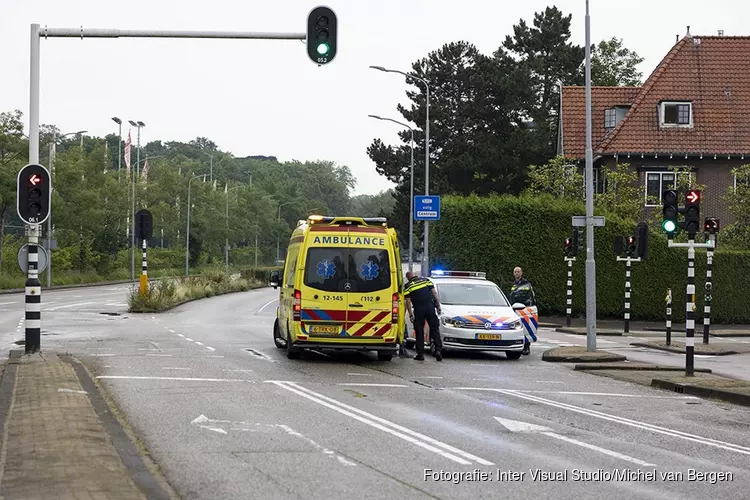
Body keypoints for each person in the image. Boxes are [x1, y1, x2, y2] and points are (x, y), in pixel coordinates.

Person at [404, 271, 443, 361]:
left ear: (408, 278)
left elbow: (408, 302)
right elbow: (434, 293)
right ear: (414, 275)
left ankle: (420, 354)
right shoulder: (426, 280)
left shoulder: (408, 286)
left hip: (419, 309)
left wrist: (410, 314)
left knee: (419, 331)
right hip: (430, 307)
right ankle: (438, 350)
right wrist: (438, 306)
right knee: (434, 329)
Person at [509, 266, 537, 355]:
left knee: (526, 328)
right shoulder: (514, 284)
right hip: (515, 309)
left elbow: (528, 296)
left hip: (524, 309)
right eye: (515, 272)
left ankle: (526, 347)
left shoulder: (525, 283)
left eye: (518, 272)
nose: (517, 273)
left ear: (521, 273)